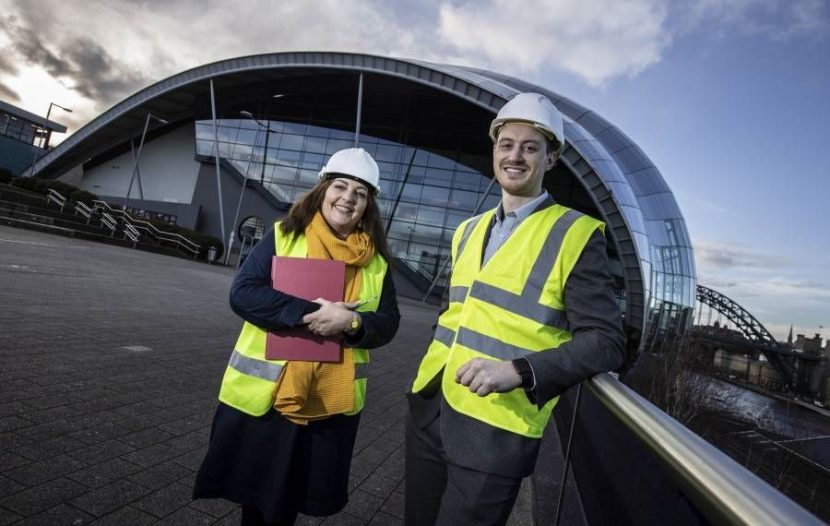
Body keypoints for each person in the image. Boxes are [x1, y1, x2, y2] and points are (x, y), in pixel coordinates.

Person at [404, 93, 626, 526]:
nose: (515, 156)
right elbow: (454, 312)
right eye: (506, 144)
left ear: (552, 157)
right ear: (494, 151)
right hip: (430, 409)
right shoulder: (467, 230)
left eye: (530, 147)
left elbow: (606, 341)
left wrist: (519, 370)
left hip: (495, 431)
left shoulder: (576, 233)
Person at [194, 147, 400, 525]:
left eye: (360, 192)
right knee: (258, 504)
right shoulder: (284, 237)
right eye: (340, 186)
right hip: (269, 399)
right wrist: (314, 315)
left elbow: (388, 322)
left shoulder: (378, 262)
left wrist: (352, 325)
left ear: (368, 205)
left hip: (328, 404)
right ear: (322, 190)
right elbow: (243, 294)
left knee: (289, 504)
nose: (348, 198)